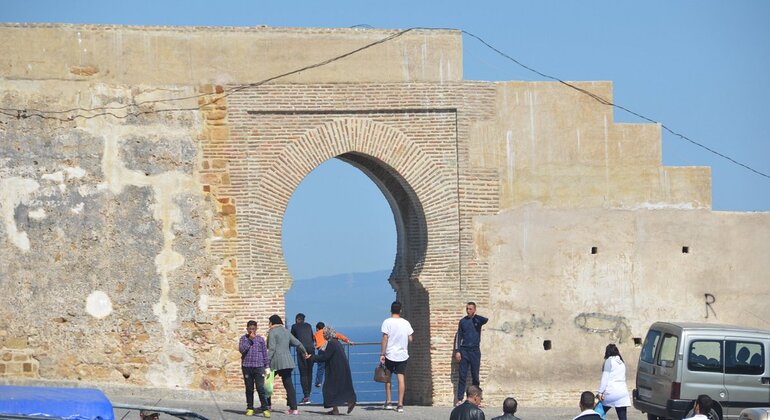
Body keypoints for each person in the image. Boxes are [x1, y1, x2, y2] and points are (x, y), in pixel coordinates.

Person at [305, 326, 357, 415]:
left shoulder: (331, 343)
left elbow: (325, 357)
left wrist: (312, 357)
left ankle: (344, 404)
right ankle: (346, 403)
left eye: (324, 333)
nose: (323, 335)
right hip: (340, 367)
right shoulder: (336, 342)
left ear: (328, 334)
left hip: (336, 369)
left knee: (329, 388)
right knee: (340, 386)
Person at [267, 314, 307, 415]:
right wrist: (304, 352)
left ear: (272, 322)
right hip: (287, 361)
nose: (269, 324)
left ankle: (267, 405)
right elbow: (297, 343)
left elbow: (271, 348)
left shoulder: (272, 332)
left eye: (269, 322)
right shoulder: (286, 331)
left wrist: (266, 361)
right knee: (289, 385)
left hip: (275, 362)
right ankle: (294, 409)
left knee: (267, 383)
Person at [380, 301, 414, 413]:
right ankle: (400, 404)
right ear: (400, 310)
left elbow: (385, 338)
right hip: (402, 355)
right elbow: (410, 339)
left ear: (391, 310)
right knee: (401, 378)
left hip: (390, 354)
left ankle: (389, 402)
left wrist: (382, 353)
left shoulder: (387, 322)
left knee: (388, 378)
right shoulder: (406, 323)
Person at [454, 302, 489, 406]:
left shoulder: (478, 320)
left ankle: (477, 400)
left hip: (475, 351)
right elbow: (459, 336)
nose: (468, 311)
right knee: (462, 375)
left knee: (475, 376)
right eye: (467, 309)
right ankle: (459, 399)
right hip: (464, 351)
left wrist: (475, 316)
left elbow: (486, 320)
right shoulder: (463, 321)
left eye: (470, 309)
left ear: (474, 310)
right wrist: (458, 351)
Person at [239, 320, 271, 417]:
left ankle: (265, 408)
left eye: (253, 329)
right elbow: (242, 350)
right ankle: (250, 408)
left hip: (259, 367)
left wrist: (267, 367)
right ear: (247, 329)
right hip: (247, 366)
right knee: (249, 388)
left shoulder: (260, 339)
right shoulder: (243, 339)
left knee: (260, 388)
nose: (251, 331)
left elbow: (265, 353)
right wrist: (250, 340)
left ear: (256, 329)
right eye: (250, 329)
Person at [313, 321, 353, 388]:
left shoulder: (316, 334)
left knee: (320, 367)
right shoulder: (328, 332)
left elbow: (315, 342)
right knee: (332, 365)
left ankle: (318, 382)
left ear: (317, 328)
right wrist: (348, 341)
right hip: (329, 349)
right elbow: (339, 336)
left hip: (322, 350)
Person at [598, 344, 631, 420]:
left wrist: (600, 392)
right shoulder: (622, 363)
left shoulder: (609, 361)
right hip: (622, 393)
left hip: (611, 393)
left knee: (599, 412)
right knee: (622, 417)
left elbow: (605, 378)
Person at [290, 313, 315, 405]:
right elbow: (312, 338)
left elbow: (291, 339)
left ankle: (306, 396)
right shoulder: (308, 326)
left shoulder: (294, 326)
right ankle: (308, 395)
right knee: (309, 372)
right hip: (311, 349)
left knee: (303, 373)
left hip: (302, 350)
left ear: (297, 319)